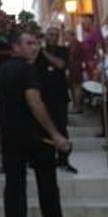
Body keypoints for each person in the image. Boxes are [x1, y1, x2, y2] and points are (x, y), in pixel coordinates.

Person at [0, 31, 78, 217]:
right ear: (15, 47)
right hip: (36, 138)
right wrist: (55, 134)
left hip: (11, 137)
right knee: (47, 185)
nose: (34, 47)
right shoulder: (28, 70)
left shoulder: (2, 71)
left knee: (14, 189)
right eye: (29, 43)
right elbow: (34, 102)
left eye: (36, 43)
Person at [35, 26, 77, 173]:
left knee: (61, 127)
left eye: (55, 35)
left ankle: (63, 159)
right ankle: (44, 159)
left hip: (59, 96)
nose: (52, 37)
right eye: (50, 35)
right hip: (42, 97)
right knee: (41, 128)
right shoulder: (37, 52)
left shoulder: (63, 51)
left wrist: (44, 52)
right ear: (45, 37)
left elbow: (60, 64)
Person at [64, 30, 84, 113]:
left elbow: (71, 56)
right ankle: (75, 106)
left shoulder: (75, 43)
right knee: (72, 87)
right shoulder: (72, 43)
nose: (65, 37)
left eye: (67, 35)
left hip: (75, 68)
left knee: (76, 87)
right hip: (73, 68)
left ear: (71, 35)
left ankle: (77, 107)